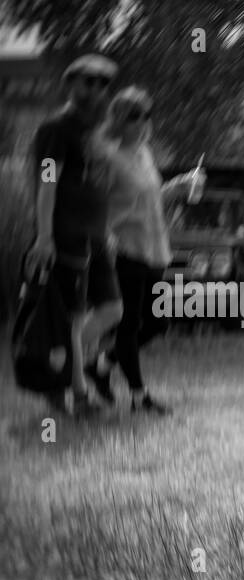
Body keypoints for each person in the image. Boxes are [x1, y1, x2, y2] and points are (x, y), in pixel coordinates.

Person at [28, 53, 122, 415]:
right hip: (66, 236)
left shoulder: (94, 133)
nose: (96, 90)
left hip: (97, 237)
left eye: (102, 84)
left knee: (113, 309)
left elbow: (98, 187)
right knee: (77, 317)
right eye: (88, 82)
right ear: (71, 85)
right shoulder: (55, 130)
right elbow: (47, 182)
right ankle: (79, 396)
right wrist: (44, 236)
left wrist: (108, 228)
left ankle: (54, 367)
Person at [84, 86, 187, 414]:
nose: (144, 124)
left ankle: (101, 366)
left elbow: (151, 197)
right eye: (135, 118)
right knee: (128, 326)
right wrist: (103, 238)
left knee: (159, 323)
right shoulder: (109, 158)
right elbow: (95, 206)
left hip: (155, 249)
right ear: (119, 121)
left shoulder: (144, 153)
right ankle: (139, 396)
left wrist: (179, 186)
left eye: (147, 116)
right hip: (125, 251)